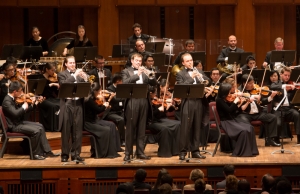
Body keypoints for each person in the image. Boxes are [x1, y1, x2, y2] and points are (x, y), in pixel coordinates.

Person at [2, 81, 59, 160]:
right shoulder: (7, 101)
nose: (22, 93)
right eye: (20, 91)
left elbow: (22, 112)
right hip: (14, 126)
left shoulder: (13, 98)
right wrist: (23, 107)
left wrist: (33, 105)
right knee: (36, 131)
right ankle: (35, 154)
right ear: (15, 91)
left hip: (19, 122)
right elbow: (15, 114)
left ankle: (47, 151)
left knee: (40, 126)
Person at [121, 53, 157, 161]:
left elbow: (153, 83)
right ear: (132, 61)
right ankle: (128, 153)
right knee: (130, 129)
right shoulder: (126, 71)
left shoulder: (145, 72)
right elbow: (125, 82)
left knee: (142, 128)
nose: (138, 63)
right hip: (132, 101)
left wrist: (152, 76)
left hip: (144, 101)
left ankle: (140, 152)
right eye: (136, 60)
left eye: (140, 61)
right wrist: (137, 75)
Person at [176, 53, 205, 160]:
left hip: (198, 102)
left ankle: (195, 150)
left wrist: (201, 77)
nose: (190, 62)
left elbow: (208, 80)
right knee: (185, 128)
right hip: (187, 102)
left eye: (191, 60)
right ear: (183, 63)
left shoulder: (199, 71)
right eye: (187, 61)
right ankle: (182, 151)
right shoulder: (180, 74)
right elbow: (181, 87)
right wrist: (191, 78)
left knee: (197, 127)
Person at [216, 83, 259, 157]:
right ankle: (241, 152)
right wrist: (235, 102)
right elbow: (229, 110)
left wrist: (239, 104)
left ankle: (252, 151)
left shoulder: (226, 99)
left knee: (250, 128)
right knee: (243, 131)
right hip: (226, 122)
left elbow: (234, 111)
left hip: (232, 120)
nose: (230, 94)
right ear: (224, 92)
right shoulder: (219, 100)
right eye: (228, 92)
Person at [58, 55, 87, 162]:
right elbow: (63, 84)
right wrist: (74, 75)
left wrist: (85, 78)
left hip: (78, 103)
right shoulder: (62, 74)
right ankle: (65, 154)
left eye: (74, 63)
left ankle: (76, 154)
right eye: (70, 63)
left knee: (77, 131)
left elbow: (86, 88)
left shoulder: (79, 75)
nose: (73, 64)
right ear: (65, 64)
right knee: (66, 130)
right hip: (67, 104)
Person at [237, 74, 280, 146]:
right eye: (250, 83)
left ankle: (269, 139)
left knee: (272, 117)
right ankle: (248, 142)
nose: (252, 85)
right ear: (244, 83)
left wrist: (271, 97)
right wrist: (252, 96)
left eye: (253, 82)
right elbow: (241, 98)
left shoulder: (256, 90)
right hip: (245, 114)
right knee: (244, 122)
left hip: (257, 114)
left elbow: (263, 101)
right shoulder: (240, 90)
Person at [84, 82, 120, 158]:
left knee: (109, 127)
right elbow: (98, 110)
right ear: (95, 91)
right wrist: (104, 106)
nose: (100, 93)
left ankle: (110, 151)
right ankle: (102, 153)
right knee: (107, 130)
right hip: (88, 123)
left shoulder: (92, 98)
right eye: (99, 91)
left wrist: (105, 103)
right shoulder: (89, 100)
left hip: (93, 121)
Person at [270, 66, 300, 144]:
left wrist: (295, 88)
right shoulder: (276, 83)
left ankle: (299, 139)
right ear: (281, 75)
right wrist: (284, 87)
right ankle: (276, 139)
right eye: (285, 75)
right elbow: (272, 87)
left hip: (288, 109)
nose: (287, 77)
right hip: (278, 109)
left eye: (288, 75)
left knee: (297, 115)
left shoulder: (291, 84)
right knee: (278, 122)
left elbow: (293, 98)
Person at [148, 85, 180, 157]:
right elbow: (149, 115)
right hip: (150, 122)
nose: (155, 95)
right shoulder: (146, 102)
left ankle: (175, 150)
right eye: (154, 93)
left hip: (159, 120)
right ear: (150, 93)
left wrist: (167, 108)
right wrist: (158, 110)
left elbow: (160, 113)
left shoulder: (155, 101)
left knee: (178, 124)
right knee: (165, 128)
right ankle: (164, 152)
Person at [37, 63, 60, 132]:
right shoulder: (41, 78)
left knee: (61, 103)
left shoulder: (54, 78)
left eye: (54, 70)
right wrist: (51, 84)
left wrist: (56, 85)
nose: (54, 72)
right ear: (47, 70)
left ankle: (58, 125)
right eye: (52, 70)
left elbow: (55, 92)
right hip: (43, 99)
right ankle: (52, 127)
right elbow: (40, 91)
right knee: (53, 106)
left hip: (52, 98)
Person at [105, 74, 125, 146]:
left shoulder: (121, 88)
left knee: (131, 116)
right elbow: (116, 100)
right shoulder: (109, 89)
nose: (122, 82)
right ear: (117, 81)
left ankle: (131, 139)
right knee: (121, 120)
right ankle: (121, 140)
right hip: (111, 112)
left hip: (120, 111)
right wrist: (125, 97)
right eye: (121, 81)